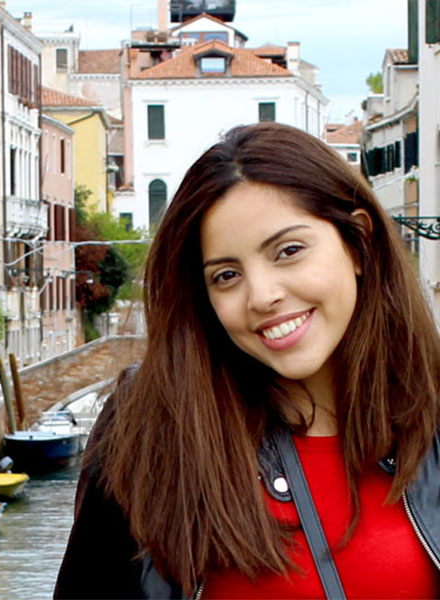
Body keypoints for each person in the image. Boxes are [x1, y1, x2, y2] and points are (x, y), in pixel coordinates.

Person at [55, 122, 440, 599]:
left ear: (358, 242)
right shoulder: (150, 429)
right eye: (227, 275)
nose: (261, 296)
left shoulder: (433, 415)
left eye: (289, 251)